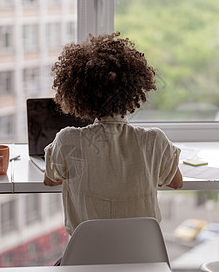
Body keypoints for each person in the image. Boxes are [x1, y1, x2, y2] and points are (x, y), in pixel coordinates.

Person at [43, 32, 183, 239]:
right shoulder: (154, 140)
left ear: (77, 95)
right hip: (143, 261)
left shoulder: (68, 140)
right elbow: (176, 182)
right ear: (134, 91)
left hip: (86, 261)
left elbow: (50, 180)